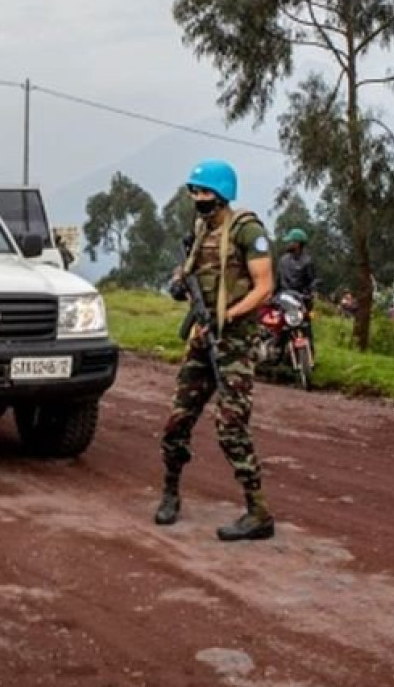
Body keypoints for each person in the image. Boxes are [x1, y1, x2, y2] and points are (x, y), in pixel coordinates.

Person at [154, 159, 278, 542]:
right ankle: (170, 493)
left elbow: (264, 287)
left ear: (223, 194)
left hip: (233, 344)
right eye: (194, 192)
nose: (198, 199)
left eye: (205, 192)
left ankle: (259, 512)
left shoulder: (247, 230)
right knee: (176, 423)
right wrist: (180, 283)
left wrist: (224, 318)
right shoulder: (201, 229)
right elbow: (192, 272)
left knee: (231, 427)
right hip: (201, 340)